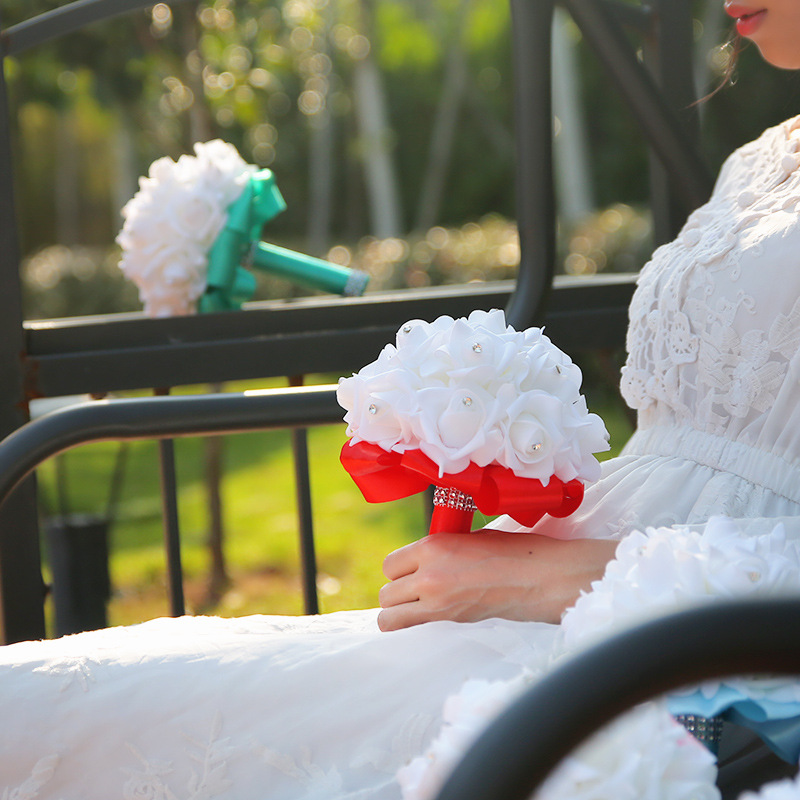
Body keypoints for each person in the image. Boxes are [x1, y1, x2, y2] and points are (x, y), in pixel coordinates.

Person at [1, 2, 800, 797]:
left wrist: (545, 577)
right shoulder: (756, 162)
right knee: (60, 701)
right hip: (560, 604)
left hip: (680, 670)